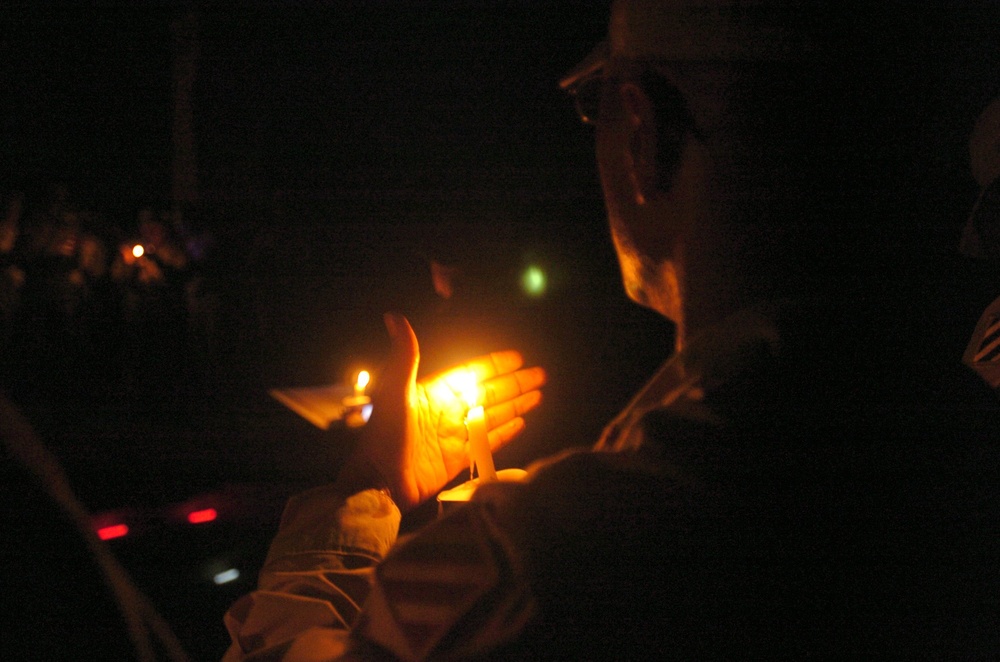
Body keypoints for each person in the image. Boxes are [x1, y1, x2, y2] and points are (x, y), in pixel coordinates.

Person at [223, 1, 1000, 659]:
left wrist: (364, 496)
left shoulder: (540, 568)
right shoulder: (959, 457)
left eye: (595, 107)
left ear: (641, 133)